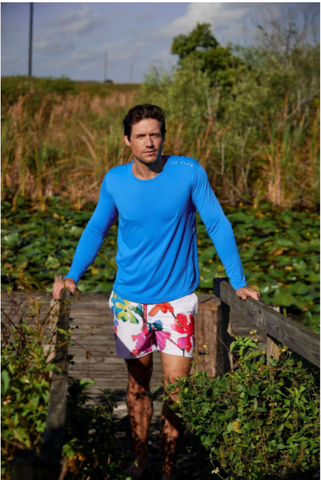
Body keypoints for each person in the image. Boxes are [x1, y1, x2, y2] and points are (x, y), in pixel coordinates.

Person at [53, 104, 260, 480]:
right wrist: (72, 274)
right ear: (127, 141)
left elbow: (216, 221)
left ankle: (168, 469)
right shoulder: (115, 180)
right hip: (130, 301)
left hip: (176, 300)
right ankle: (141, 459)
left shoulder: (188, 172)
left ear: (163, 135)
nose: (150, 142)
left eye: (155, 134)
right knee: (137, 384)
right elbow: (97, 229)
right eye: (141, 136)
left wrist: (239, 280)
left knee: (178, 389)